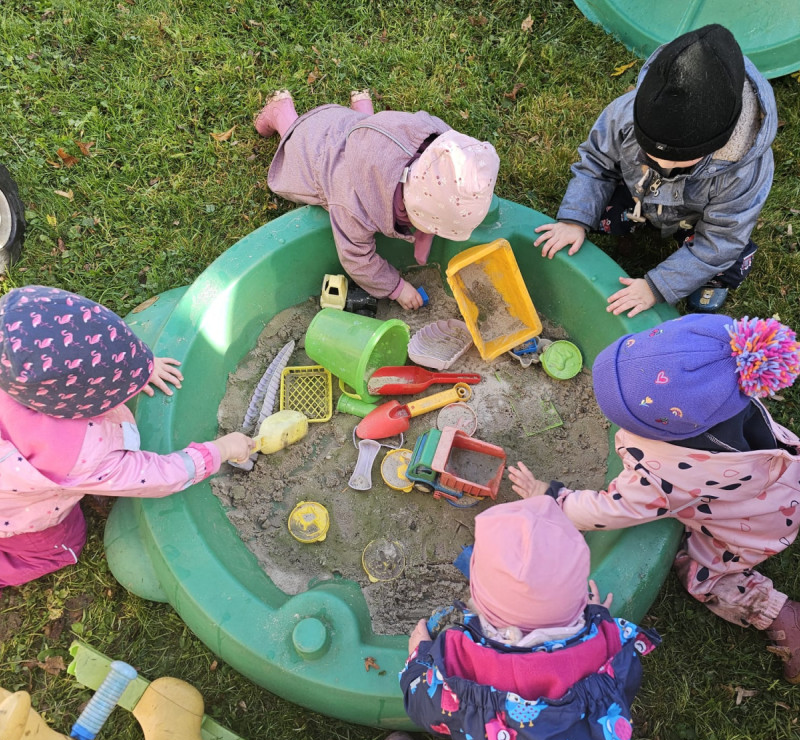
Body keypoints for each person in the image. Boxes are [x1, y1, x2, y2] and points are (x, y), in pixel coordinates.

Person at [509, 313, 800, 684]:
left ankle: (778, 613)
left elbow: (610, 510)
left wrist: (553, 497)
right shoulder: (728, 391)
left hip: (753, 530)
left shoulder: (663, 472)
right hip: (779, 478)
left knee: (702, 575)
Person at [380, 495, 660, 740]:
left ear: (480, 605)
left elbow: (423, 704)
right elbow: (627, 683)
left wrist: (419, 658)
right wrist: (597, 619)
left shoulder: (463, 658)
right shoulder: (610, 647)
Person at [0, 285, 254, 588]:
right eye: (119, 386)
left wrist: (141, 367)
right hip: (15, 513)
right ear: (87, 405)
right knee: (61, 545)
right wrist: (221, 449)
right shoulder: (81, 457)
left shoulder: (13, 354)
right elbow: (161, 476)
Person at [533, 24, 777, 317]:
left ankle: (704, 279)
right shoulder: (624, 114)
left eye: (682, 160)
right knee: (595, 208)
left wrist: (657, 286)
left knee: (727, 257)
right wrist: (574, 219)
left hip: (697, 218)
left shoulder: (742, 170)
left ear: (718, 143)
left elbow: (721, 239)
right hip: (640, 194)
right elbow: (596, 163)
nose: (664, 166)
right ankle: (631, 222)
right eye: (651, 154)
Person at [253, 88, 499, 310]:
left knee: (369, 129)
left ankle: (365, 116)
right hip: (316, 145)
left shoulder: (434, 147)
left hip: (367, 132)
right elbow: (356, 258)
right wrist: (397, 288)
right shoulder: (351, 205)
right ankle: (281, 112)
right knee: (296, 147)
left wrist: (425, 228)